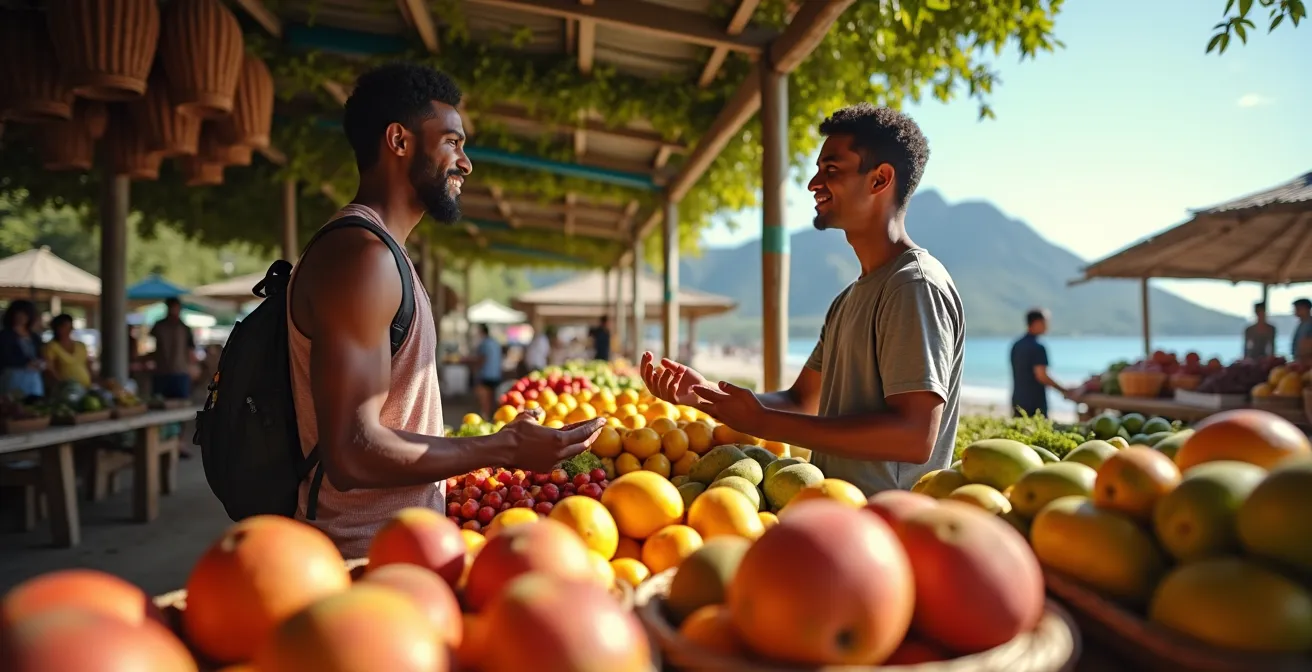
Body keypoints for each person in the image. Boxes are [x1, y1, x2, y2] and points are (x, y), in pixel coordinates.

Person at [286, 62, 604, 556]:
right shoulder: (363, 258)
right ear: (399, 140)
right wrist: (504, 447)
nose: (466, 163)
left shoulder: (383, 253)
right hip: (364, 554)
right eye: (453, 142)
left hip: (401, 545)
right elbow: (351, 452)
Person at [640, 103, 964, 496]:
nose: (813, 183)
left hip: (886, 523)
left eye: (831, 169)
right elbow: (800, 400)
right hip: (835, 510)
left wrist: (764, 423)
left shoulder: (913, 286)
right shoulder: (848, 299)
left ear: (880, 179)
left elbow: (914, 437)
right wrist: (706, 394)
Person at [1009, 309, 1070, 417]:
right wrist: (1062, 389)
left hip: (1017, 399)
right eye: (1045, 322)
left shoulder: (1016, 345)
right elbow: (1042, 375)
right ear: (1037, 322)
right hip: (1034, 402)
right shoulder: (1038, 347)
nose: (1047, 326)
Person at [150, 297, 197, 400]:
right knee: (161, 402)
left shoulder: (184, 328)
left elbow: (191, 351)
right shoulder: (160, 326)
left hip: (179, 372)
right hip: (163, 371)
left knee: (180, 402)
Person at [0, 300, 45, 400]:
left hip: (33, 377)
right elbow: (4, 357)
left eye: (25, 314)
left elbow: (40, 354)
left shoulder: (34, 336)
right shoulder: (5, 335)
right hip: (13, 377)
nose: (21, 317)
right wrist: (25, 363)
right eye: (18, 314)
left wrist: (41, 363)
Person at [44, 314, 92, 389]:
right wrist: (62, 384)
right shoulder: (52, 347)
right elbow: (49, 368)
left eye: (69, 327)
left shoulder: (81, 346)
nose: (67, 330)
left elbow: (88, 365)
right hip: (66, 388)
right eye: (64, 327)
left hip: (85, 386)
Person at [472, 324, 503, 418]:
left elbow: (482, 359)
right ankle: (493, 416)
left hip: (486, 374)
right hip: (496, 374)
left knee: (484, 398)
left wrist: (475, 369)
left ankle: (486, 416)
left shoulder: (484, 344)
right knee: (492, 397)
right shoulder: (495, 343)